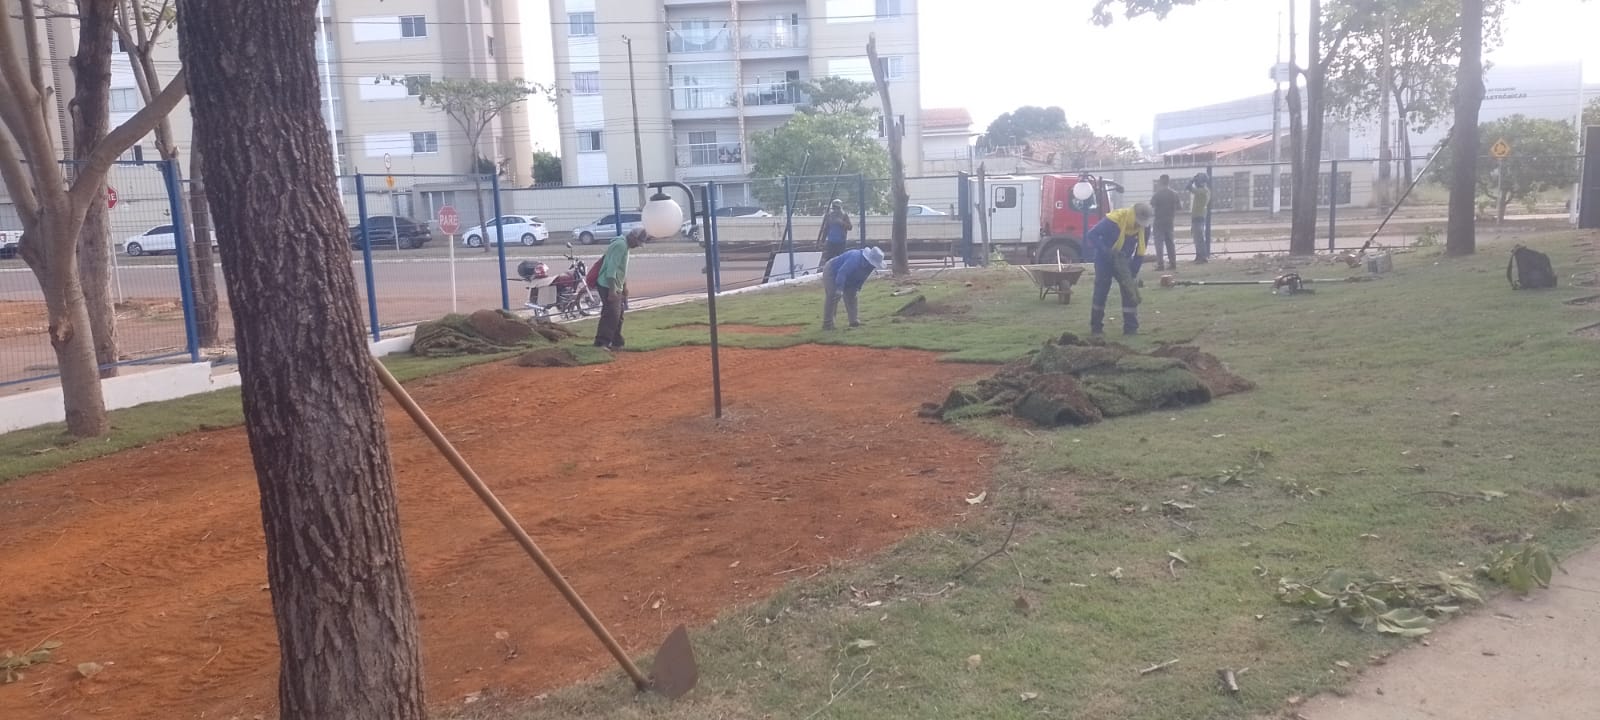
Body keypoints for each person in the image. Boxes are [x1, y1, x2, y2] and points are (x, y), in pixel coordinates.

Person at [1086, 203, 1153, 337]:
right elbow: (1091, 235)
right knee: (1101, 290)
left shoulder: (1144, 227)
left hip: (1124, 260)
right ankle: (1096, 328)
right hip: (1104, 259)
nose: (1139, 226)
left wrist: (1133, 271)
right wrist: (1105, 251)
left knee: (1129, 291)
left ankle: (1131, 328)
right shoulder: (1113, 221)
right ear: (1133, 215)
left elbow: (1141, 250)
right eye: (1138, 222)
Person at [594, 228, 646, 349]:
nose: (637, 246)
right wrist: (612, 291)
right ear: (632, 237)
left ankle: (616, 341)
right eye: (637, 243)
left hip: (617, 285)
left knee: (618, 314)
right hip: (608, 284)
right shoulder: (620, 245)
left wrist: (624, 287)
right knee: (612, 314)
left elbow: (621, 270)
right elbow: (611, 269)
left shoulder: (625, 246)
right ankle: (602, 342)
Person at [822, 245, 885, 330]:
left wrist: (857, 288)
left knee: (852, 296)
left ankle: (853, 320)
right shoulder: (855, 258)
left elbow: (862, 279)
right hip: (832, 271)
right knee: (833, 295)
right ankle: (828, 324)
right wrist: (840, 288)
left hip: (849, 277)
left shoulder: (869, 267)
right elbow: (842, 273)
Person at [1149, 174, 1180, 271]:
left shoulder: (1157, 194)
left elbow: (1152, 204)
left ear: (1161, 182)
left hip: (1159, 221)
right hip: (1170, 221)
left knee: (1159, 243)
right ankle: (1173, 263)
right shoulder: (1174, 193)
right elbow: (1179, 207)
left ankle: (1160, 264)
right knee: (1170, 242)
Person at [817, 199, 854, 266]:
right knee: (828, 260)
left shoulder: (844, 215)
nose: (836, 210)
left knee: (840, 259)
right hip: (831, 242)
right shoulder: (829, 216)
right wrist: (822, 241)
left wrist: (841, 223)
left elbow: (850, 227)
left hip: (841, 242)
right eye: (834, 208)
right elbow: (826, 229)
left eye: (837, 208)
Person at [1188, 173, 1211, 263]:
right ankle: (1199, 256)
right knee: (1197, 238)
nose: (1196, 183)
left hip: (1198, 216)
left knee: (1199, 239)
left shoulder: (1201, 191)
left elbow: (1188, 187)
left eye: (1197, 181)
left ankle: (1202, 257)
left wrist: (1192, 180)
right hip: (1199, 216)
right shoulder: (1206, 190)